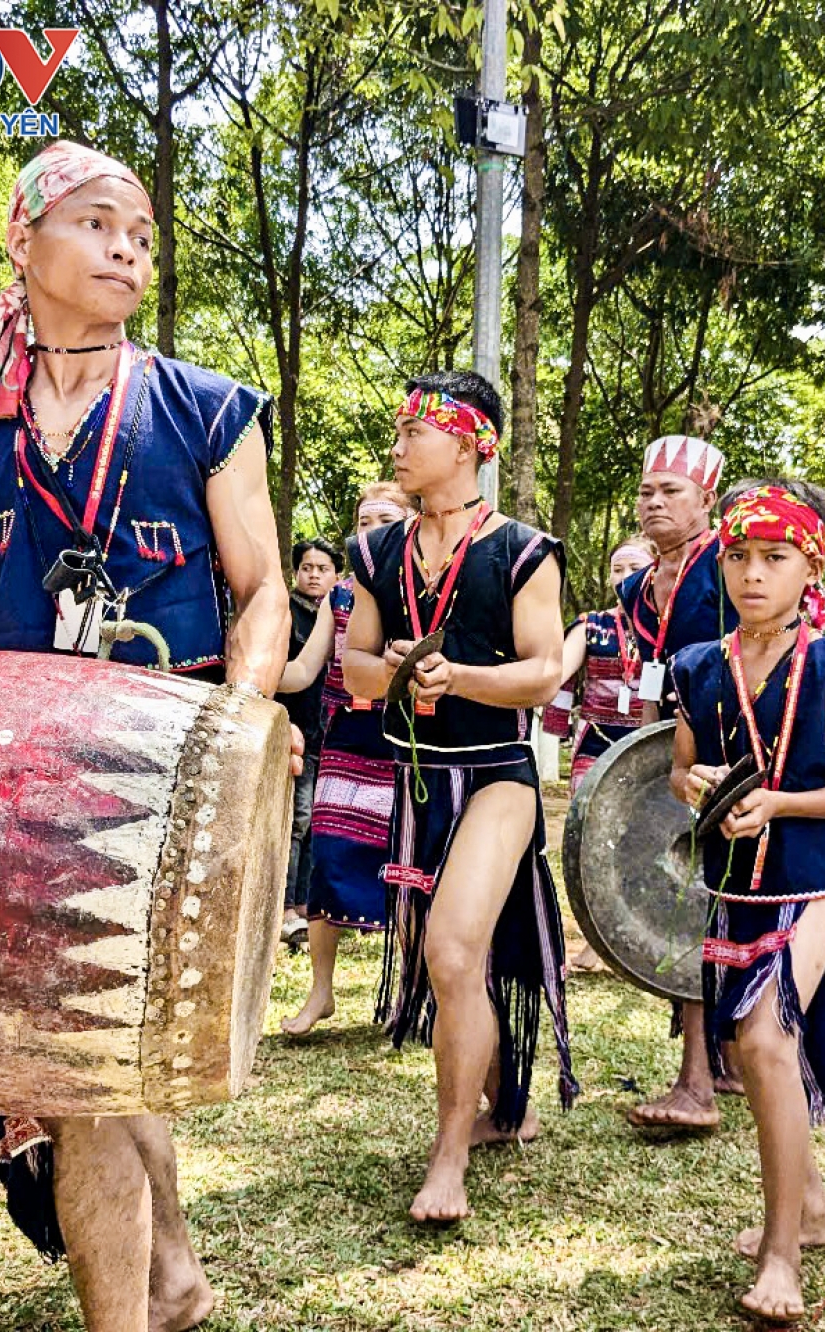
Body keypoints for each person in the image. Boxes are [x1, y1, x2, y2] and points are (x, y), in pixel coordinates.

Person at [0, 140, 294, 1332]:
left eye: (140, 230)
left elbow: (264, 588)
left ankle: (142, 1302)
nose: (129, 244)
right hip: (16, 783)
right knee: (92, 1071)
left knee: (90, 1068)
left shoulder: (205, 410)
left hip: (157, 787)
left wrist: (247, 724)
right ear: (24, 243)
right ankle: (165, 1279)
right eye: (98, 221)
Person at [670, 481, 825, 1323]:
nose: (751, 574)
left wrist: (779, 803)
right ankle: (810, 1209)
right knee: (762, 1050)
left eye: (774, 558)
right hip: (731, 885)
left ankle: (782, 1257)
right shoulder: (700, 667)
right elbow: (678, 770)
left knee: (768, 1041)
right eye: (737, 557)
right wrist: (694, 781)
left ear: (809, 567)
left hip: (813, 884)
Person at [343, 370, 577, 1223]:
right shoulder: (374, 552)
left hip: (498, 777)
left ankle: (450, 1156)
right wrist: (404, 673)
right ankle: (502, 1100)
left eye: (416, 432)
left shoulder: (523, 550)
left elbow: (544, 671)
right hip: (410, 777)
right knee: (449, 964)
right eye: (400, 432)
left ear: (472, 441)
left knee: (449, 952)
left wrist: (463, 677)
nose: (399, 446)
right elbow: (356, 665)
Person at [616, 435, 738, 1130]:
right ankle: (718, 1062)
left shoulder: (733, 564)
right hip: (680, 759)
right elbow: (654, 688)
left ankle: (699, 1083)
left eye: (671, 492)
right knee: (686, 901)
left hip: (746, 755)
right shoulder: (635, 588)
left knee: (706, 907)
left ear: (706, 502)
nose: (654, 502)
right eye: (647, 491)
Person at [277, 482, 413, 1034]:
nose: (372, 529)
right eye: (363, 520)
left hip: (407, 743)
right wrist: (242, 674)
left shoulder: (425, 590)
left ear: (410, 522)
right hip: (346, 739)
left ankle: (411, 993)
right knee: (328, 862)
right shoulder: (339, 595)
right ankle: (320, 993)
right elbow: (304, 670)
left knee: (407, 871)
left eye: (385, 518)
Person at [544, 536, 653, 972]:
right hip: (597, 746)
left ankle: (635, 937)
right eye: (617, 569)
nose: (623, 578)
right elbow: (557, 670)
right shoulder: (592, 626)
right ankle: (593, 942)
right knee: (591, 846)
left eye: (634, 568)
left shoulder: (667, 625)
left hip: (650, 748)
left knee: (641, 846)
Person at [279, 536, 342, 942]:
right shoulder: (286, 613)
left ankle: (305, 905)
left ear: (337, 575)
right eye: (307, 568)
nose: (314, 574)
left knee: (317, 823)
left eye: (322, 569)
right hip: (297, 731)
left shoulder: (345, 613)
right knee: (296, 821)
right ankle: (284, 907)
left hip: (332, 736)